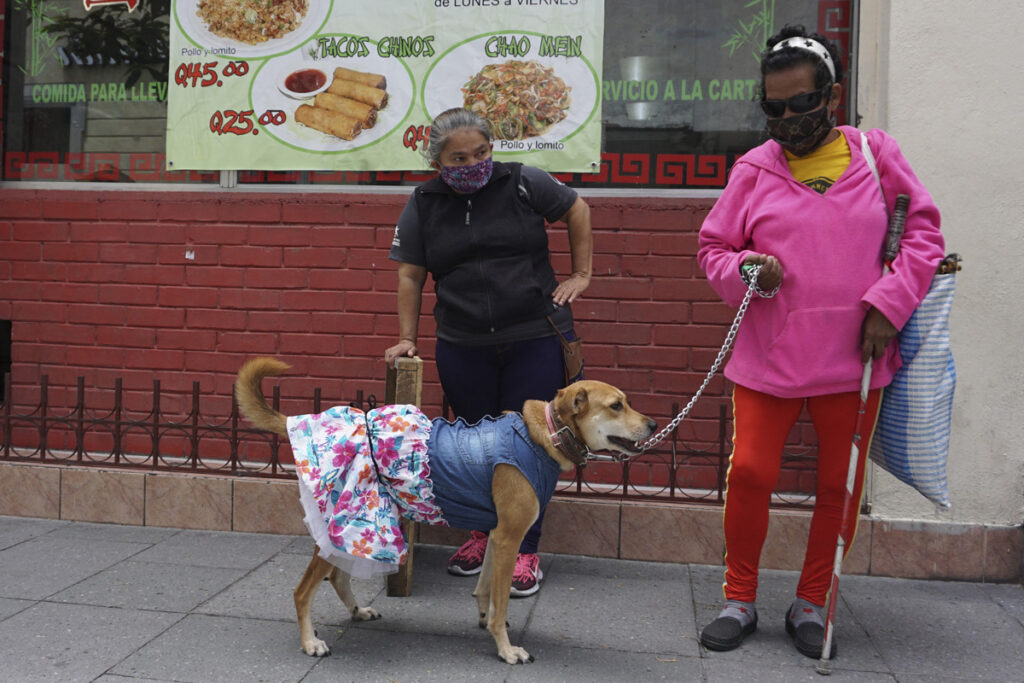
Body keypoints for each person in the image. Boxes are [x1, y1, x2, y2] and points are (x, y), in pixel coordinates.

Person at [696, 26, 944, 658]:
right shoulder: (753, 169)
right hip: (770, 356)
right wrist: (749, 269)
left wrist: (888, 305)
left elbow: (923, 236)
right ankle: (739, 595)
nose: (787, 120)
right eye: (772, 108)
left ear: (831, 98)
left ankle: (813, 602)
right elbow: (714, 249)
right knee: (750, 473)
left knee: (839, 484)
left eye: (800, 105)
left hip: (856, 358)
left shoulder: (875, 154)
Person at [385, 107, 593, 597]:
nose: (473, 163)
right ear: (437, 159)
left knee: (532, 445)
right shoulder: (423, 201)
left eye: (481, 152)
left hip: (533, 337)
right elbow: (410, 274)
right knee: (474, 450)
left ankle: (524, 550)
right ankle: (483, 534)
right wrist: (407, 336)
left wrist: (581, 275)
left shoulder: (523, 182)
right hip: (463, 344)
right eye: (459, 158)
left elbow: (576, 209)